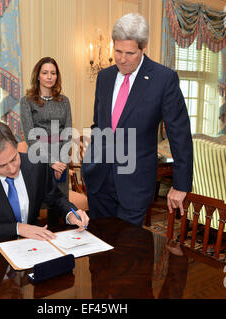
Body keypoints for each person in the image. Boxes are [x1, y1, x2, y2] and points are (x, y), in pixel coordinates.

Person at [82, 13, 193, 226]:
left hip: (135, 183)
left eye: (130, 53)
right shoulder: (104, 78)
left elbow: (179, 133)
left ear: (144, 48)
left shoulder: (163, 79)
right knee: (99, 250)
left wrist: (181, 184)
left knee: (127, 251)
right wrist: (91, 160)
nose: (122, 59)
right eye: (118, 51)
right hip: (99, 179)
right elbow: (99, 125)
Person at [0, 122, 89, 244]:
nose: (12, 169)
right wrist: (17, 228)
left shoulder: (37, 164)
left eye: (14, 158)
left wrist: (70, 213)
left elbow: (55, 197)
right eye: (2, 166)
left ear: (16, 147)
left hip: (34, 245)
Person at [20, 57, 72, 200]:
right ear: (37, 75)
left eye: (53, 73)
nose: (49, 76)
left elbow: (68, 133)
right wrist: (51, 162)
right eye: (45, 72)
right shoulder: (27, 101)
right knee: (37, 206)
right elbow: (31, 137)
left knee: (60, 205)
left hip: (61, 158)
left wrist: (60, 162)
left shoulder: (64, 101)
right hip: (37, 158)